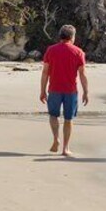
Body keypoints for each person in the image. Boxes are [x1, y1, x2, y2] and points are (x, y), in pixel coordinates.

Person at [40, 25, 89, 157]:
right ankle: (65, 148)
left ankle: (56, 139)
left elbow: (45, 72)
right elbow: (82, 74)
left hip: (54, 89)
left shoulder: (51, 50)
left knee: (53, 115)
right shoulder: (78, 52)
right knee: (68, 119)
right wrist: (86, 92)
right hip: (70, 91)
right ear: (72, 37)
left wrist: (42, 90)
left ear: (60, 36)